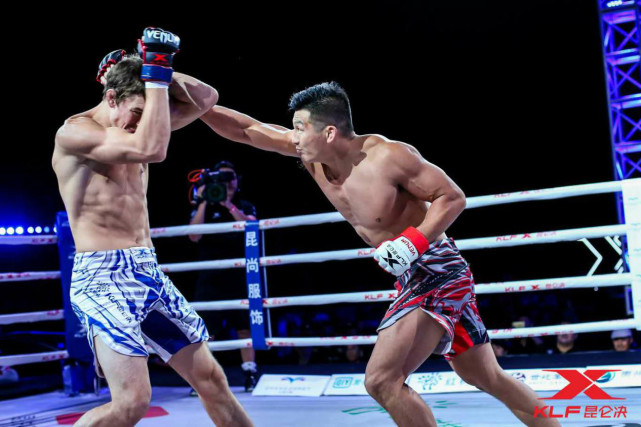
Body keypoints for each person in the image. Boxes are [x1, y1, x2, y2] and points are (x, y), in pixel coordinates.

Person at [200, 82, 560, 426]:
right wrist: (189, 100)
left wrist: (412, 242)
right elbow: (247, 130)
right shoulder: (311, 157)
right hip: (417, 276)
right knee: (486, 376)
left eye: (300, 128)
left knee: (382, 380)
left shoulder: (388, 156)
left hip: (436, 271)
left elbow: (452, 197)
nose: (293, 137)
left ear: (329, 133)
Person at [52, 29, 253, 427]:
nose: (143, 123)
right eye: (137, 113)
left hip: (146, 269)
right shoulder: (75, 133)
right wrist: (155, 72)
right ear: (111, 97)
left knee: (212, 381)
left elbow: (207, 97)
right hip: (102, 278)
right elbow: (152, 149)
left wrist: (156, 68)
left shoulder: (140, 122)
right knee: (131, 403)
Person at [189, 160, 259, 392]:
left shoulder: (244, 205)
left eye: (231, 177)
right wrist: (202, 201)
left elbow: (250, 227)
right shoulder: (205, 207)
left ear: (237, 181)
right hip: (210, 276)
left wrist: (228, 205)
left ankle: (249, 373)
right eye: (222, 178)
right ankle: (205, 378)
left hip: (239, 275)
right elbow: (193, 236)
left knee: (244, 328)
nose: (226, 182)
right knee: (208, 331)